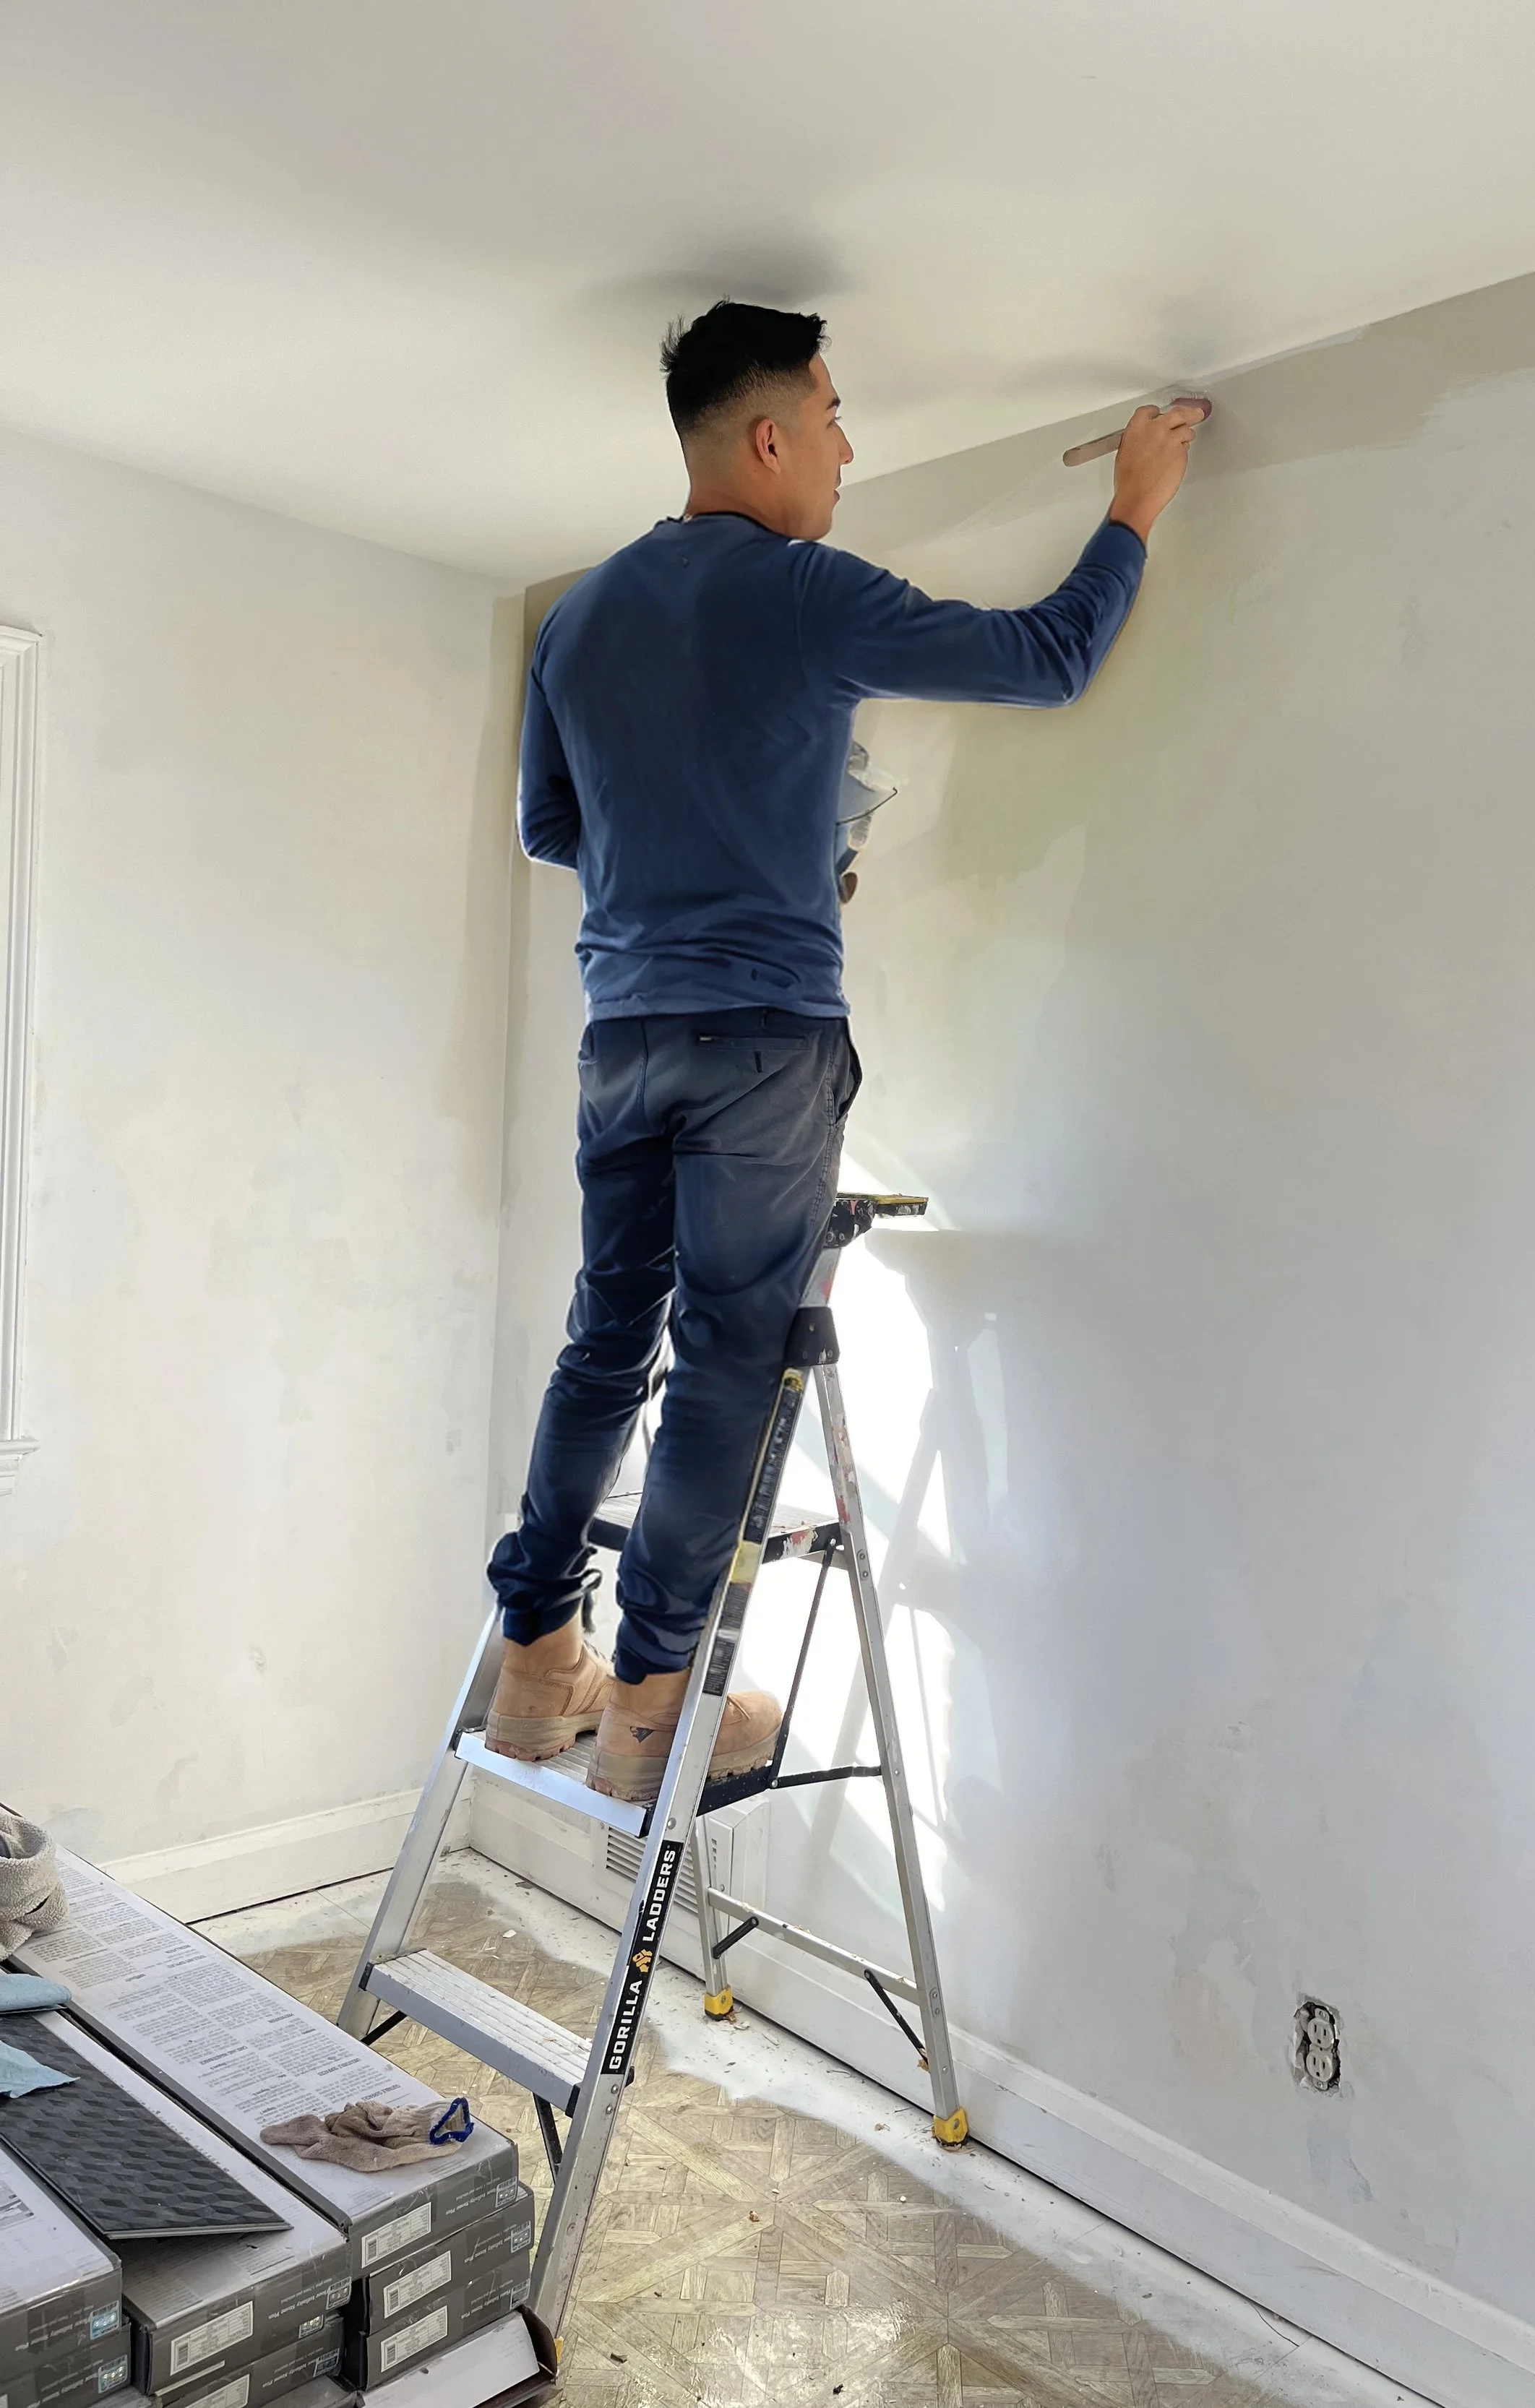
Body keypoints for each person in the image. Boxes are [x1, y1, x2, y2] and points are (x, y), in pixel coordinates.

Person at [484, 301, 1204, 1803]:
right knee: (723, 1358)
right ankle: (652, 1708)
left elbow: (553, 826)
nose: (846, 448)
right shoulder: (801, 591)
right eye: (830, 419)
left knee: (605, 1338)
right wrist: (1134, 506)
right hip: (760, 1042)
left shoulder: (581, 617)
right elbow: (1046, 658)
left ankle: (538, 1659)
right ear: (767, 438)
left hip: (623, 1036)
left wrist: (710, 850)